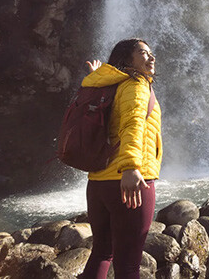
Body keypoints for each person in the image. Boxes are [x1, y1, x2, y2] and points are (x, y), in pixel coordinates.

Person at [80, 39, 162, 279]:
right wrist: (130, 167)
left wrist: (98, 76)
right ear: (127, 60)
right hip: (130, 181)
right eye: (143, 53)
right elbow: (133, 124)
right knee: (128, 266)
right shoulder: (136, 84)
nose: (151, 57)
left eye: (151, 53)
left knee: (102, 253)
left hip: (98, 183)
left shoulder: (105, 86)